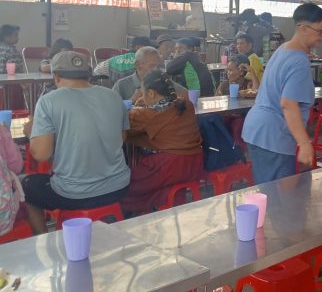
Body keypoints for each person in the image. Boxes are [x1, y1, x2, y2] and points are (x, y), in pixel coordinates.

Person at [20, 51, 130, 234]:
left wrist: (32, 132)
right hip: (119, 187)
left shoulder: (48, 101)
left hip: (74, 194)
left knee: (28, 185)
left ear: (56, 76)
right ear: (88, 75)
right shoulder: (113, 96)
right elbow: (121, 139)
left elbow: (41, 154)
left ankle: (42, 238)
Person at [242, 4, 322, 184]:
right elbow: (288, 103)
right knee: (278, 196)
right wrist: (304, 143)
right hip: (274, 134)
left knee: (267, 191)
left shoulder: (284, 49)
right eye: (320, 30)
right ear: (303, 28)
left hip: (258, 129)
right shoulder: (299, 60)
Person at [121, 71, 202, 213]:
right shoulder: (186, 104)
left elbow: (123, 125)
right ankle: (163, 202)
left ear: (151, 93)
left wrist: (134, 105)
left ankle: (132, 213)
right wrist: (148, 105)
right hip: (195, 163)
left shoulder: (146, 115)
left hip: (170, 166)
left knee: (125, 185)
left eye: (143, 93)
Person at [113, 46, 186, 102]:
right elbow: (111, 111)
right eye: (152, 66)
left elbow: (188, 95)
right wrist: (131, 101)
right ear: (138, 65)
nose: (156, 70)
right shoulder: (121, 85)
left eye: (159, 66)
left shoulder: (164, 80)